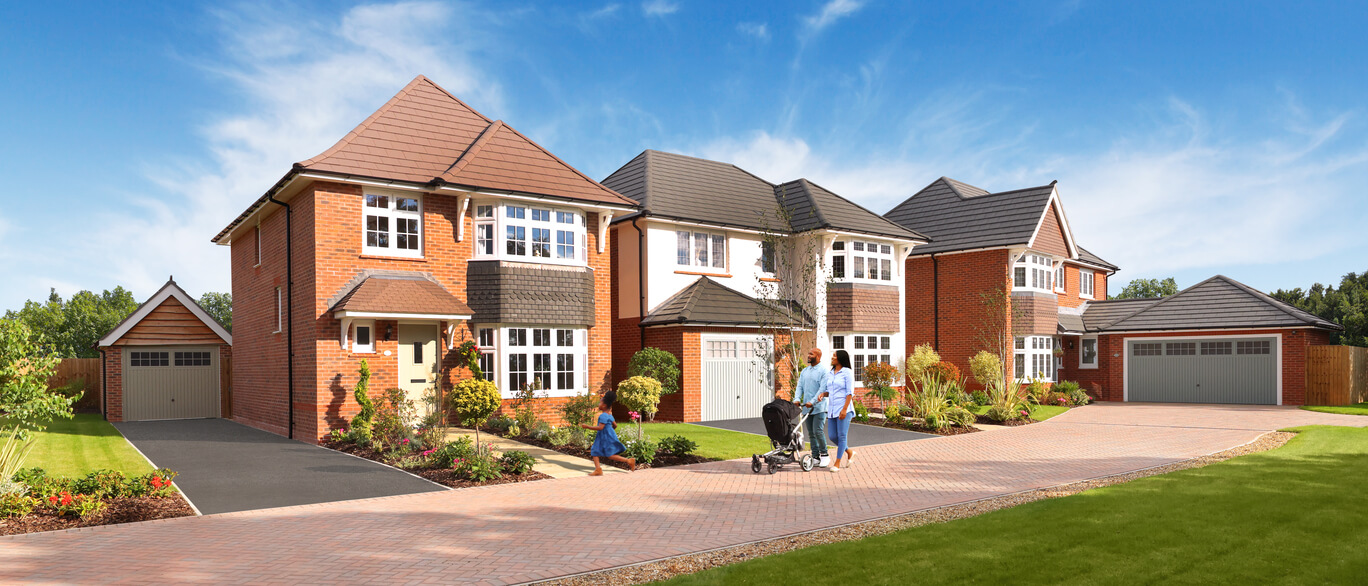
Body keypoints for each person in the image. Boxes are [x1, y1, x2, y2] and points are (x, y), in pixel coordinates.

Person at [793, 348, 831, 467]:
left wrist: (813, 401)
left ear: (818, 356)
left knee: (818, 431)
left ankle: (824, 455)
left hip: (819, 407)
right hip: (806, 408)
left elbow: (822, 389)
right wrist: (797, 399)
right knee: (811, 433)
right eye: (808, 353)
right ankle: (815, 457)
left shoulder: (824, 371)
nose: (808, 356)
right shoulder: (805, 371)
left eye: (811, 354)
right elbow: (800, 386)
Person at [581, 391, 636, 475]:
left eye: (600, 403)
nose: (599, 404)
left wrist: (587, 427)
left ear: (604, 406)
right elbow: (615, 425)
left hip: (604, 437)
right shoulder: (610, 415)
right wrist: (610, 431)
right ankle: (598, 469)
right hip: (607, 436)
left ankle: (628, 461)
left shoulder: (603, 416)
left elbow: (600, 427)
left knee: (604, 453)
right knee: (597, 451)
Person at [826, 350, 856, 472]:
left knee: (842, 436)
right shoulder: (831, 373)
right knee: (833, 436)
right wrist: (824, 393)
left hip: (844, 408)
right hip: (832, 409)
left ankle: (837, 463)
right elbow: (831, 391)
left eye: (834, 356)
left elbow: (849, 392)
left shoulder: (847, 372)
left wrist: (844, 409)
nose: (832, 357)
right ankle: (849, 452)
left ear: (840, 358)